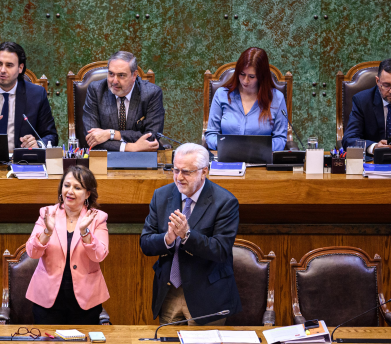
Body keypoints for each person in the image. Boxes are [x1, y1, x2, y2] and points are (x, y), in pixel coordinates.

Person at [140, 143, 241, 326]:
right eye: (175, 170)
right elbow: (146, 243)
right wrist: (168, 239)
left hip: (206, 297)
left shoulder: (225, 202)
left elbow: (220, 250)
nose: (179, 177)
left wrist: (187, 235)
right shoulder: (161, 196)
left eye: (186, 172)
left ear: (204, 171)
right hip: (169, 294)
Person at [25, 166, 110, 325]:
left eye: (77, 188)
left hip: (85, 300)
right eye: (67, 185)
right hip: (47, 299)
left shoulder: (97, 218)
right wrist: (47, 232)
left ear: (88, 193)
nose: (70, 191)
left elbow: (99, 255)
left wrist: (85, 232)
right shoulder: (47, 213)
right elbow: (32, 252)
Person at [205, 47, 287, 151]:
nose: (245, 80)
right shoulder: (221, 94)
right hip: (227, 159)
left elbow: (280, 139)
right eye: (242, 74)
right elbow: (211, 134)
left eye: (252, 76)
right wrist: (227, 146)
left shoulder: (277, 98)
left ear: (262, 76)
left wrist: (257, 149)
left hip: (261, 160)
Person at [82, 50, 164, 152]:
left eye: (121, 75)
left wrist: (111, 134)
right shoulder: (96, 90)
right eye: (111, 74)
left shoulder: (151, 93)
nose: (114, 81)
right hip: (106, 159)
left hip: (141, 158)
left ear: (134, 75)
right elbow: (92, 138)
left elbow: (152, 137)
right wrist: (130, 147)